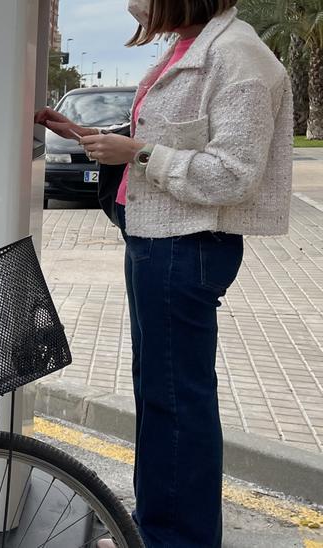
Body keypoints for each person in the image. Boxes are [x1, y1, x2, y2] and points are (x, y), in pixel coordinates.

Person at [37, 0, 291, 546]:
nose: (133, 4)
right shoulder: (195, 46)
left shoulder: (238, 58)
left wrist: (139, 153)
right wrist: (88, 135)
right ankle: (159, 532)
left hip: (187, 247)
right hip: (160, 241)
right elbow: (170, 137)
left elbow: (234, 175)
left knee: (176, 402)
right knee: (163, 395)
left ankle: (173, 540)